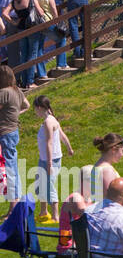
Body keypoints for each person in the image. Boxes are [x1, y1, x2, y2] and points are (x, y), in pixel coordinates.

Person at [33, 95, 72, 225]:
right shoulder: (51, 119)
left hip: (51, 160)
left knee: (49, 186)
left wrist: (49, 163)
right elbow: (63, 136)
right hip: (44, 159)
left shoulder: (48, 122)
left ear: (39, 108)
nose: (35, 112)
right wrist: (69, 148)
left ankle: (56, 217)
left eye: (35, 109)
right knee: (40, 186)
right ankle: (43, 212)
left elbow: (49, 143)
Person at [0, 66, 30, 208]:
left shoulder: (3, 93)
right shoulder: (16, 90)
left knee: (9, 168)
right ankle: (15, 204)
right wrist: (15, 114)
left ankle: (14, 205)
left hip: (4, 133)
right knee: (13, 167)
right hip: (13, 131)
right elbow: (27, 105)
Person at [1, 0, 37, 88]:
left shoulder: (14, 1)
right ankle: (29, 81)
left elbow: (4, 13)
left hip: (20, 27)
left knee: (20, 54)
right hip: (31, 27)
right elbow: (40, 12)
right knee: (32, 53)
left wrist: (14, 23)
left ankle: (18, 80)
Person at [31, 0, 63, 72]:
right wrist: (57, 20)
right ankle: (61, 64)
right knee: (61, 39)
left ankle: (41, 73)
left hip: (38, 23)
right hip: (49, 21)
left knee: (39, 48)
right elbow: (53, 9)